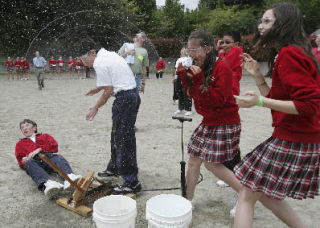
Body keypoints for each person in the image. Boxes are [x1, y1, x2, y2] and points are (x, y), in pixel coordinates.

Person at [233, 3, 320, 227]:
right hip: (298, 136)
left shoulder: (290, 53)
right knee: (263, 192)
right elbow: (281, 103)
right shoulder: (290, 51)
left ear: (284, 24)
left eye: (267, 21)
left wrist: (258, 101)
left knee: (247, 193)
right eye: (261, 21)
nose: (261, 26)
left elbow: (309, 105)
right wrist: (258, 77)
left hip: (296, 137)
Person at [176, 30, 242, 207]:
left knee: (212, 164)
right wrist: (183, 78)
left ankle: (245, 193)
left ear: (208, 49)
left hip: (225, 121)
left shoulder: (222, 68)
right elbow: (192, 95)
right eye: (188, 49)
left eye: (195, 49)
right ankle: (186, 202)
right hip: (209, 121)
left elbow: (216, 100)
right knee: (193, 161)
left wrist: (196, 80)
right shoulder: (200, 66)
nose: (191, 54)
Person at [85, 48, 141, 194]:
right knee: (117, 136)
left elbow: (109, 90)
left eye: (85, 61)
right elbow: (114, 77)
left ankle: (132, 182)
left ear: (92, 53)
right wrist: (97, 89)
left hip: (125, 99)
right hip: (131, 95)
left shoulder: (99, 63)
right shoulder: (109, 54)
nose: (86, 65)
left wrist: (95, 107)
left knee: (124, 139)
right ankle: (115, 167)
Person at [15, 119, 81, 199]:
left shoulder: (44, 136)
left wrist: (39, 149)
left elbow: (54, 147)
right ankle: (49, 183)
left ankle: (69, 176)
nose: (24, 128)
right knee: (28, 163)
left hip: (48, 158)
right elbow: (20, 160)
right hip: (34, 163)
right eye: (22, 127)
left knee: (58, 157)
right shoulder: (20, 144)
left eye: (27, 125)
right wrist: (24, 160)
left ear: (34, 128)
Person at [174, 48, 193, 116]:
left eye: (183, 50)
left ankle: (188, 109)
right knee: (179, 91)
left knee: (186, 91)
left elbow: (188, 67)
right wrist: (175, 78)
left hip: (185, 76)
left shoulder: (188, 58)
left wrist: (182, 68)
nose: (182, 51)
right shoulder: (178, 59)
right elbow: (176, 69)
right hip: (179, 76)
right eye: (181, 50)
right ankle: (180, 108)